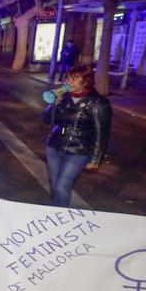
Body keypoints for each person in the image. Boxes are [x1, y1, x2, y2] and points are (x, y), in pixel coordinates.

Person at [42, 64, 111, 207]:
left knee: (62, 186)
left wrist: (95, 159)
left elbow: (101, 133)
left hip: (78, 150)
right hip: (54, 146)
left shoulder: (98, 103)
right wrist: (53, 104)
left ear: (85, 81)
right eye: (68, 78)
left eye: (74, 79)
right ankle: (56, 209)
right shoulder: (63, 97)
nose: (68, 82)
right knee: (55, 186)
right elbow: (46, 120)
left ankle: (58, 217)